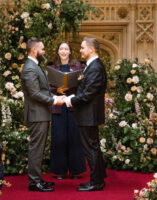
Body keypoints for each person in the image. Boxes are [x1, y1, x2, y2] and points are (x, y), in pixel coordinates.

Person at [20, 37, 64, 192]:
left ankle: (37, 179)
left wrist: (55, 97)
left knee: (38, 148)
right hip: (36, 114)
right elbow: (34, 93)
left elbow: (42, 91)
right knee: (36, 148)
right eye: (43, 49)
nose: (44, 52)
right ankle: (34, 183)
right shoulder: (30, 68)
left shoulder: (35, 66)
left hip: (41, 114)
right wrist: (54, 101)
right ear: (34, 50)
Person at [65, 36, 107, 191]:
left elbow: (88, 93)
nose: (80, 50)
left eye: (83, 47)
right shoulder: (91, 65)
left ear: (92, 49)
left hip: (89, 114)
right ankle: (99, 178)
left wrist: (71, 100)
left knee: (90, 147)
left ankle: (96, 183)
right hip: (87, 113)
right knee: (93, 146)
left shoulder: (95, 67)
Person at [47, 42, 86, 180]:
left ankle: (76, 171)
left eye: (66, 49)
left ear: (70, 52)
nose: (63, 51)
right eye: (61, 49)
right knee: (59, 137)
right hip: (58, 105)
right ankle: (60, 170)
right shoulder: (52, 68)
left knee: (74, 137)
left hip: (73, 105)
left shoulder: (78, 67)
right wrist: (57, 90)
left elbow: (83, 85)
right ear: (58, 52)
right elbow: (47, 88)